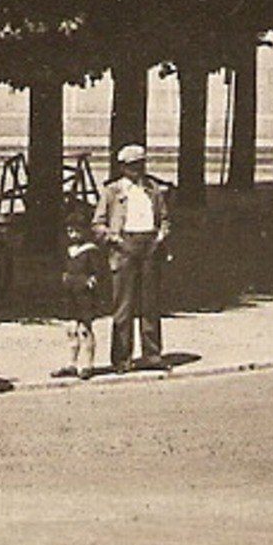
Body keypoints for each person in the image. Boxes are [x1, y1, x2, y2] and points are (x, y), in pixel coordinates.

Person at [93, 143, 170, 372]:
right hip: (125, 246)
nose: (138, 169)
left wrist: (161, 236)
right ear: (123, 167)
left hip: (149, 246)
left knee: (150, 304)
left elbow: (164, 218)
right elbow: (97, 223)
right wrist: (113, 238)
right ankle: (122, 358)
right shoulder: (113, 191)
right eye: (133, 165)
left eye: (141, 164)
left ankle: (152, 354)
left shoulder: (152, 188)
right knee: (123, 306)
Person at [52, 213, 104, 380]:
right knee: (71, 328)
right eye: (70, 231)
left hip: (84, 295)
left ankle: (88, 364)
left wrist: (91, 282)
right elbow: (63, 267)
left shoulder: (91, 250)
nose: (73, 234)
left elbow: (99, 273)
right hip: (69, 293)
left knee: (84, 329)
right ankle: (71, 363)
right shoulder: (67, 250)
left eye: (77, 231)